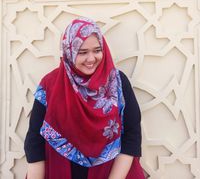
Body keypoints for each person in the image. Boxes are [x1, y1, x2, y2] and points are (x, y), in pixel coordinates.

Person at [24, 17, 145, 179]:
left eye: (97, 50)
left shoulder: (117, 83)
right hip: (61, 170)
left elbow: (132, 135)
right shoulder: (50, 85)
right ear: (69, 52)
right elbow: (35, 140)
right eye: (82, 52)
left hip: (112, 171)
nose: (91, 59)